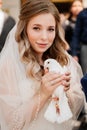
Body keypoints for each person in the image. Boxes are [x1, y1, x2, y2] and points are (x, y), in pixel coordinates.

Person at [0, 0, 85, 130]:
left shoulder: (62, 60)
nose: (44, 37)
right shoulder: (8, 66)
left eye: (50, 29)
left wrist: (65, 92)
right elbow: (12, 124)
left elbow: (74, 111)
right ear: (24, 28)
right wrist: (43, 92)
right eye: (36, 28)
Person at [71, 8, 87, 74]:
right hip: (85, 47)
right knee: (85, 73)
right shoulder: (82, 14)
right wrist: (74, 53)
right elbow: (76, 34)